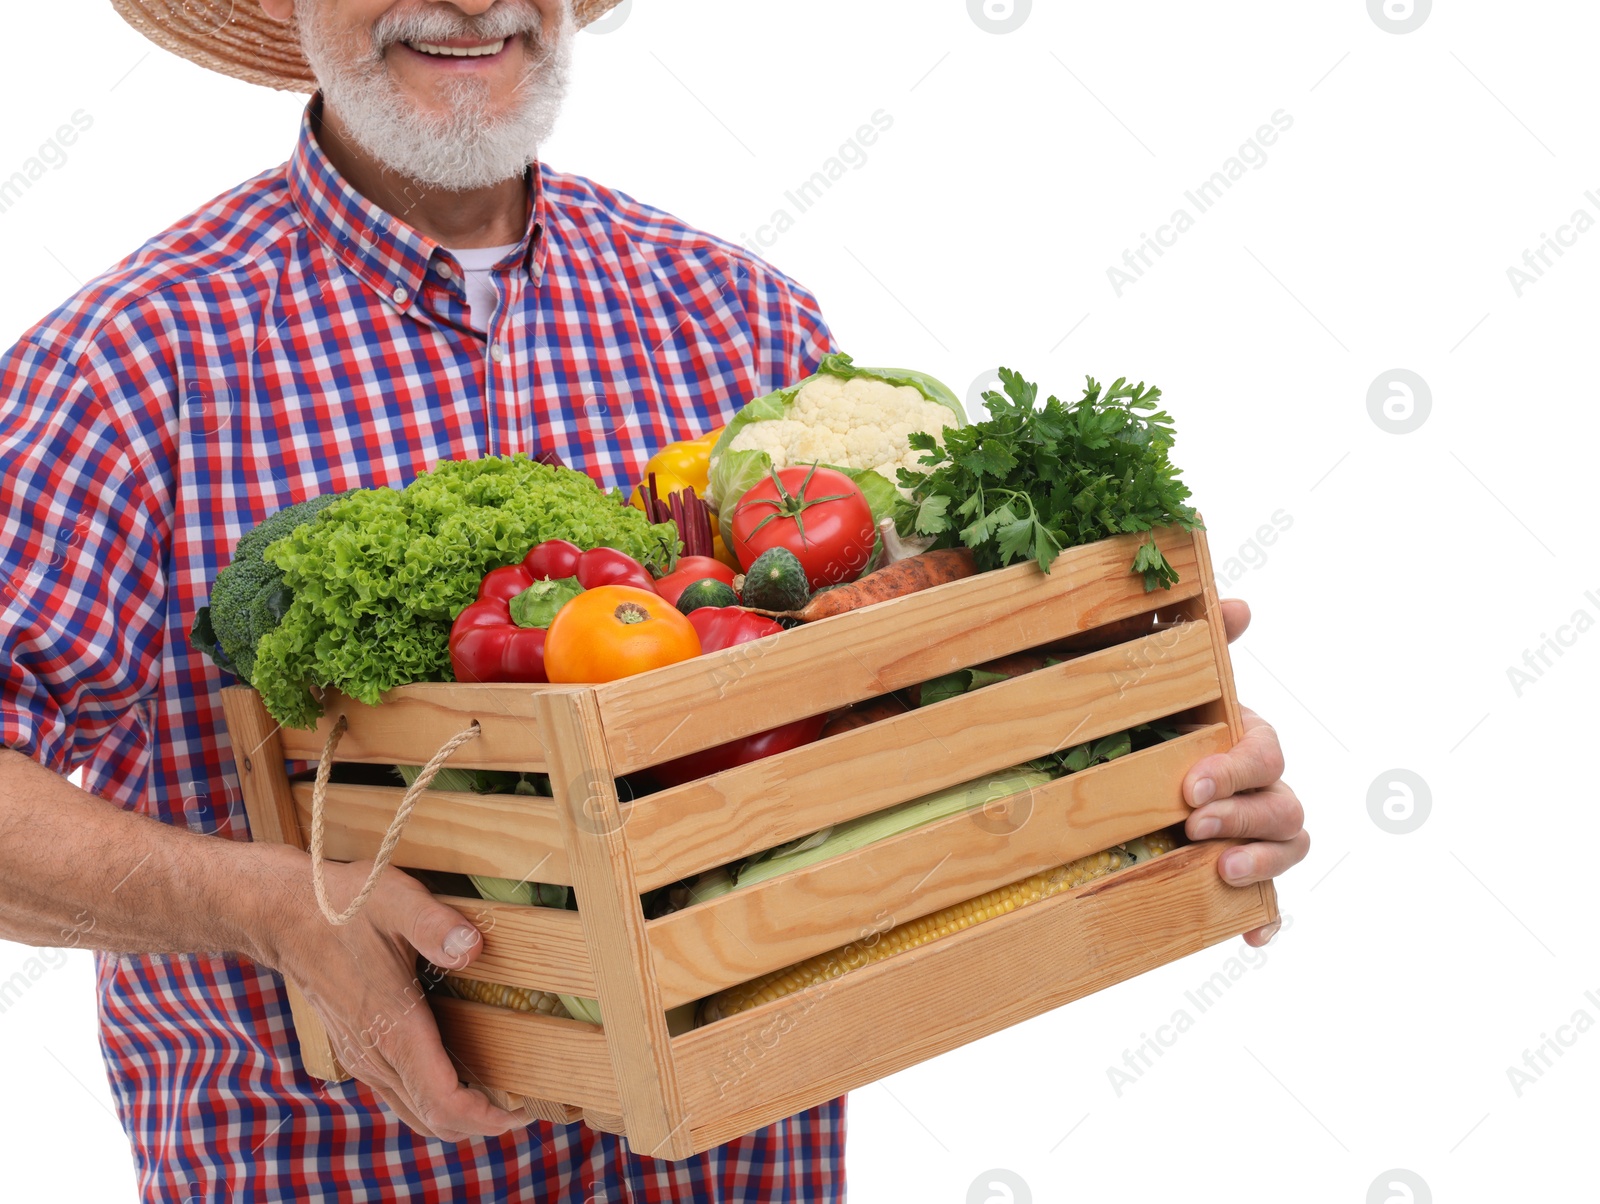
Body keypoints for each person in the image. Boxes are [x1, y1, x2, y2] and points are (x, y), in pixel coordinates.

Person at [0, 1, 1310, 1199]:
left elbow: (909, 738)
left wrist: (1149, 769)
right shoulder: (125, 371)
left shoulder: (739, 325)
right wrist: (260, 903)